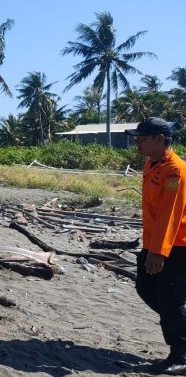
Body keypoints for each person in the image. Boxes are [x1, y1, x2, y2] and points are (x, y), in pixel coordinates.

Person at [126, 118, 186, 375]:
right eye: (136, 139)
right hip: (153, 242)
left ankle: (181, 354)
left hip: (176, 246)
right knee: (146, 288)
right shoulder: (151, 163)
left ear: (160, 139)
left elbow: (169, 215)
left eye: (142, 139)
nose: (137, 143)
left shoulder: (175, 171)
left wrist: (159, 252)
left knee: (170, 300)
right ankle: (180, 325)